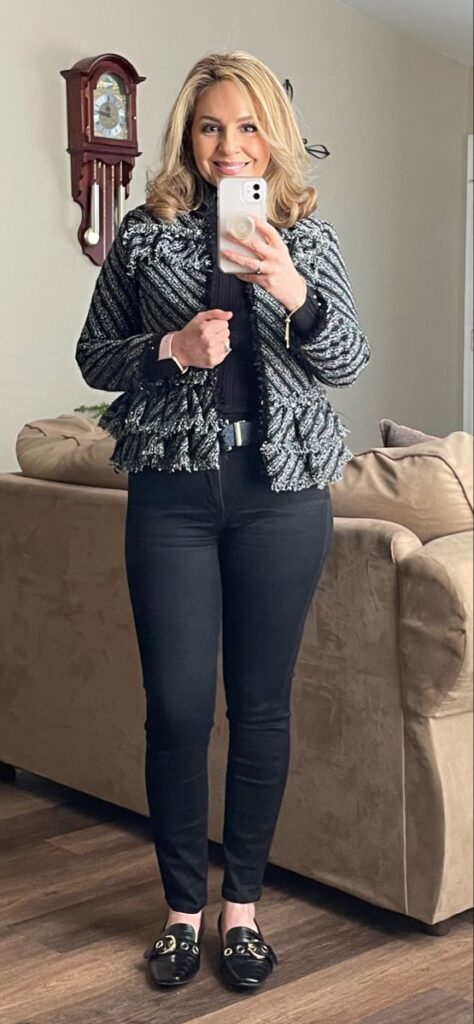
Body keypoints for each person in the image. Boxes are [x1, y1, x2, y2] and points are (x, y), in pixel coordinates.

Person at [76, 49, 370, 991]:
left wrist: (292, 290)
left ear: (273, 136)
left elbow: (347, 359)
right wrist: (170, 346)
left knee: (261, 706)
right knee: (176, 707)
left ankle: (240, 911)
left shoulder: (307, 237)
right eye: (211, 127)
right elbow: (94, 354)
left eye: (247, 127)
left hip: (280, 495)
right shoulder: (145, 234)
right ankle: (180, 913)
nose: (229, 146)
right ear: (188, 136)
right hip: (174, 490)